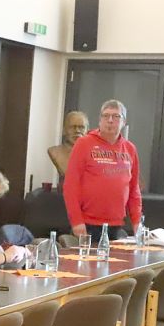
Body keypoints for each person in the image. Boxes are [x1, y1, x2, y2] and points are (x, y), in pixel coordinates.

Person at [63, 99, 142, 243]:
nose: (110, 120)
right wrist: (76, 221)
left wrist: (137, 222)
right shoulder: (84, 144)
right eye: (106, 116)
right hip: (87, 224)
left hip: (116, 225)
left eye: (115, 116)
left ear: (123, 122)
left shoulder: (130, 149)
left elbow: (133, 190)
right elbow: (70, 186)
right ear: (100, 120)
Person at [47, 110, 90, 186]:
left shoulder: (95, 155)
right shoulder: (55, 152)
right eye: (72, 127)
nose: (77, 131)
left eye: (81, 127)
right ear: (64, 130)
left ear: (87, 131)